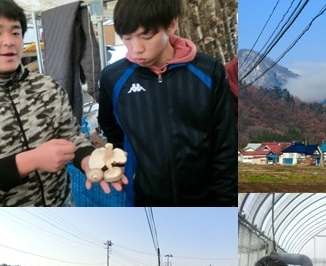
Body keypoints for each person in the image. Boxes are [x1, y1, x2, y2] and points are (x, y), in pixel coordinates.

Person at [0, 0, 125, 206]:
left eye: (15, 32)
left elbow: (71, 137)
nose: (9, 41)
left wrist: (87, 160)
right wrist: (30, 161)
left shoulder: (45, 86)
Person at [98, 0, 237, 207]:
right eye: (127, 38)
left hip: (205, 201)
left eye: (147, 36)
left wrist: (225, 204)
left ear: (171, 25)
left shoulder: (209, 72)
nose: (136, 49)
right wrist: (121, 165)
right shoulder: (113, 78)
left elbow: (224, 145)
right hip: (143, 200)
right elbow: (112, 129)